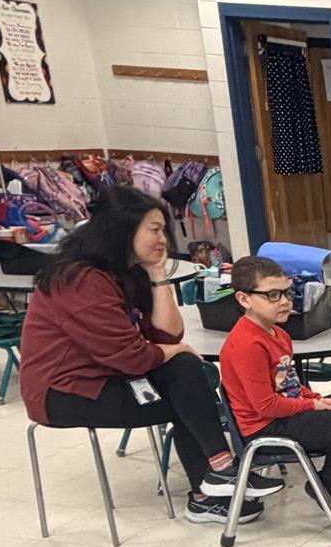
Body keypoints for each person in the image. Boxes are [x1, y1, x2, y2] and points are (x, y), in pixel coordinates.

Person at [16, 187, 278, 527]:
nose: (162, 239)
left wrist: (157, 275)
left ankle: (216, 478)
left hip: (107, 377)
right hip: (63, 393)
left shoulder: (125, 272)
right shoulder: (79, 279)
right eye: (154, 229)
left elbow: (167, 336)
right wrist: (173, 350)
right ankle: (214, 482)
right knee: (186, 395)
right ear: (123, 230)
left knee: (185, 374)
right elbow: (132, 357)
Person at [219, 253, 331, 534]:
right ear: (244, 299)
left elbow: (289, 384)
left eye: (286, 292)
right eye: (272, 295)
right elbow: (266, 405)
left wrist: (314, 399)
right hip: (263, 428)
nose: (284, 301)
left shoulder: (279, 335)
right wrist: (311, 408)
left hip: (283, 414)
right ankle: (328, 487)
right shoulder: (246, 344)